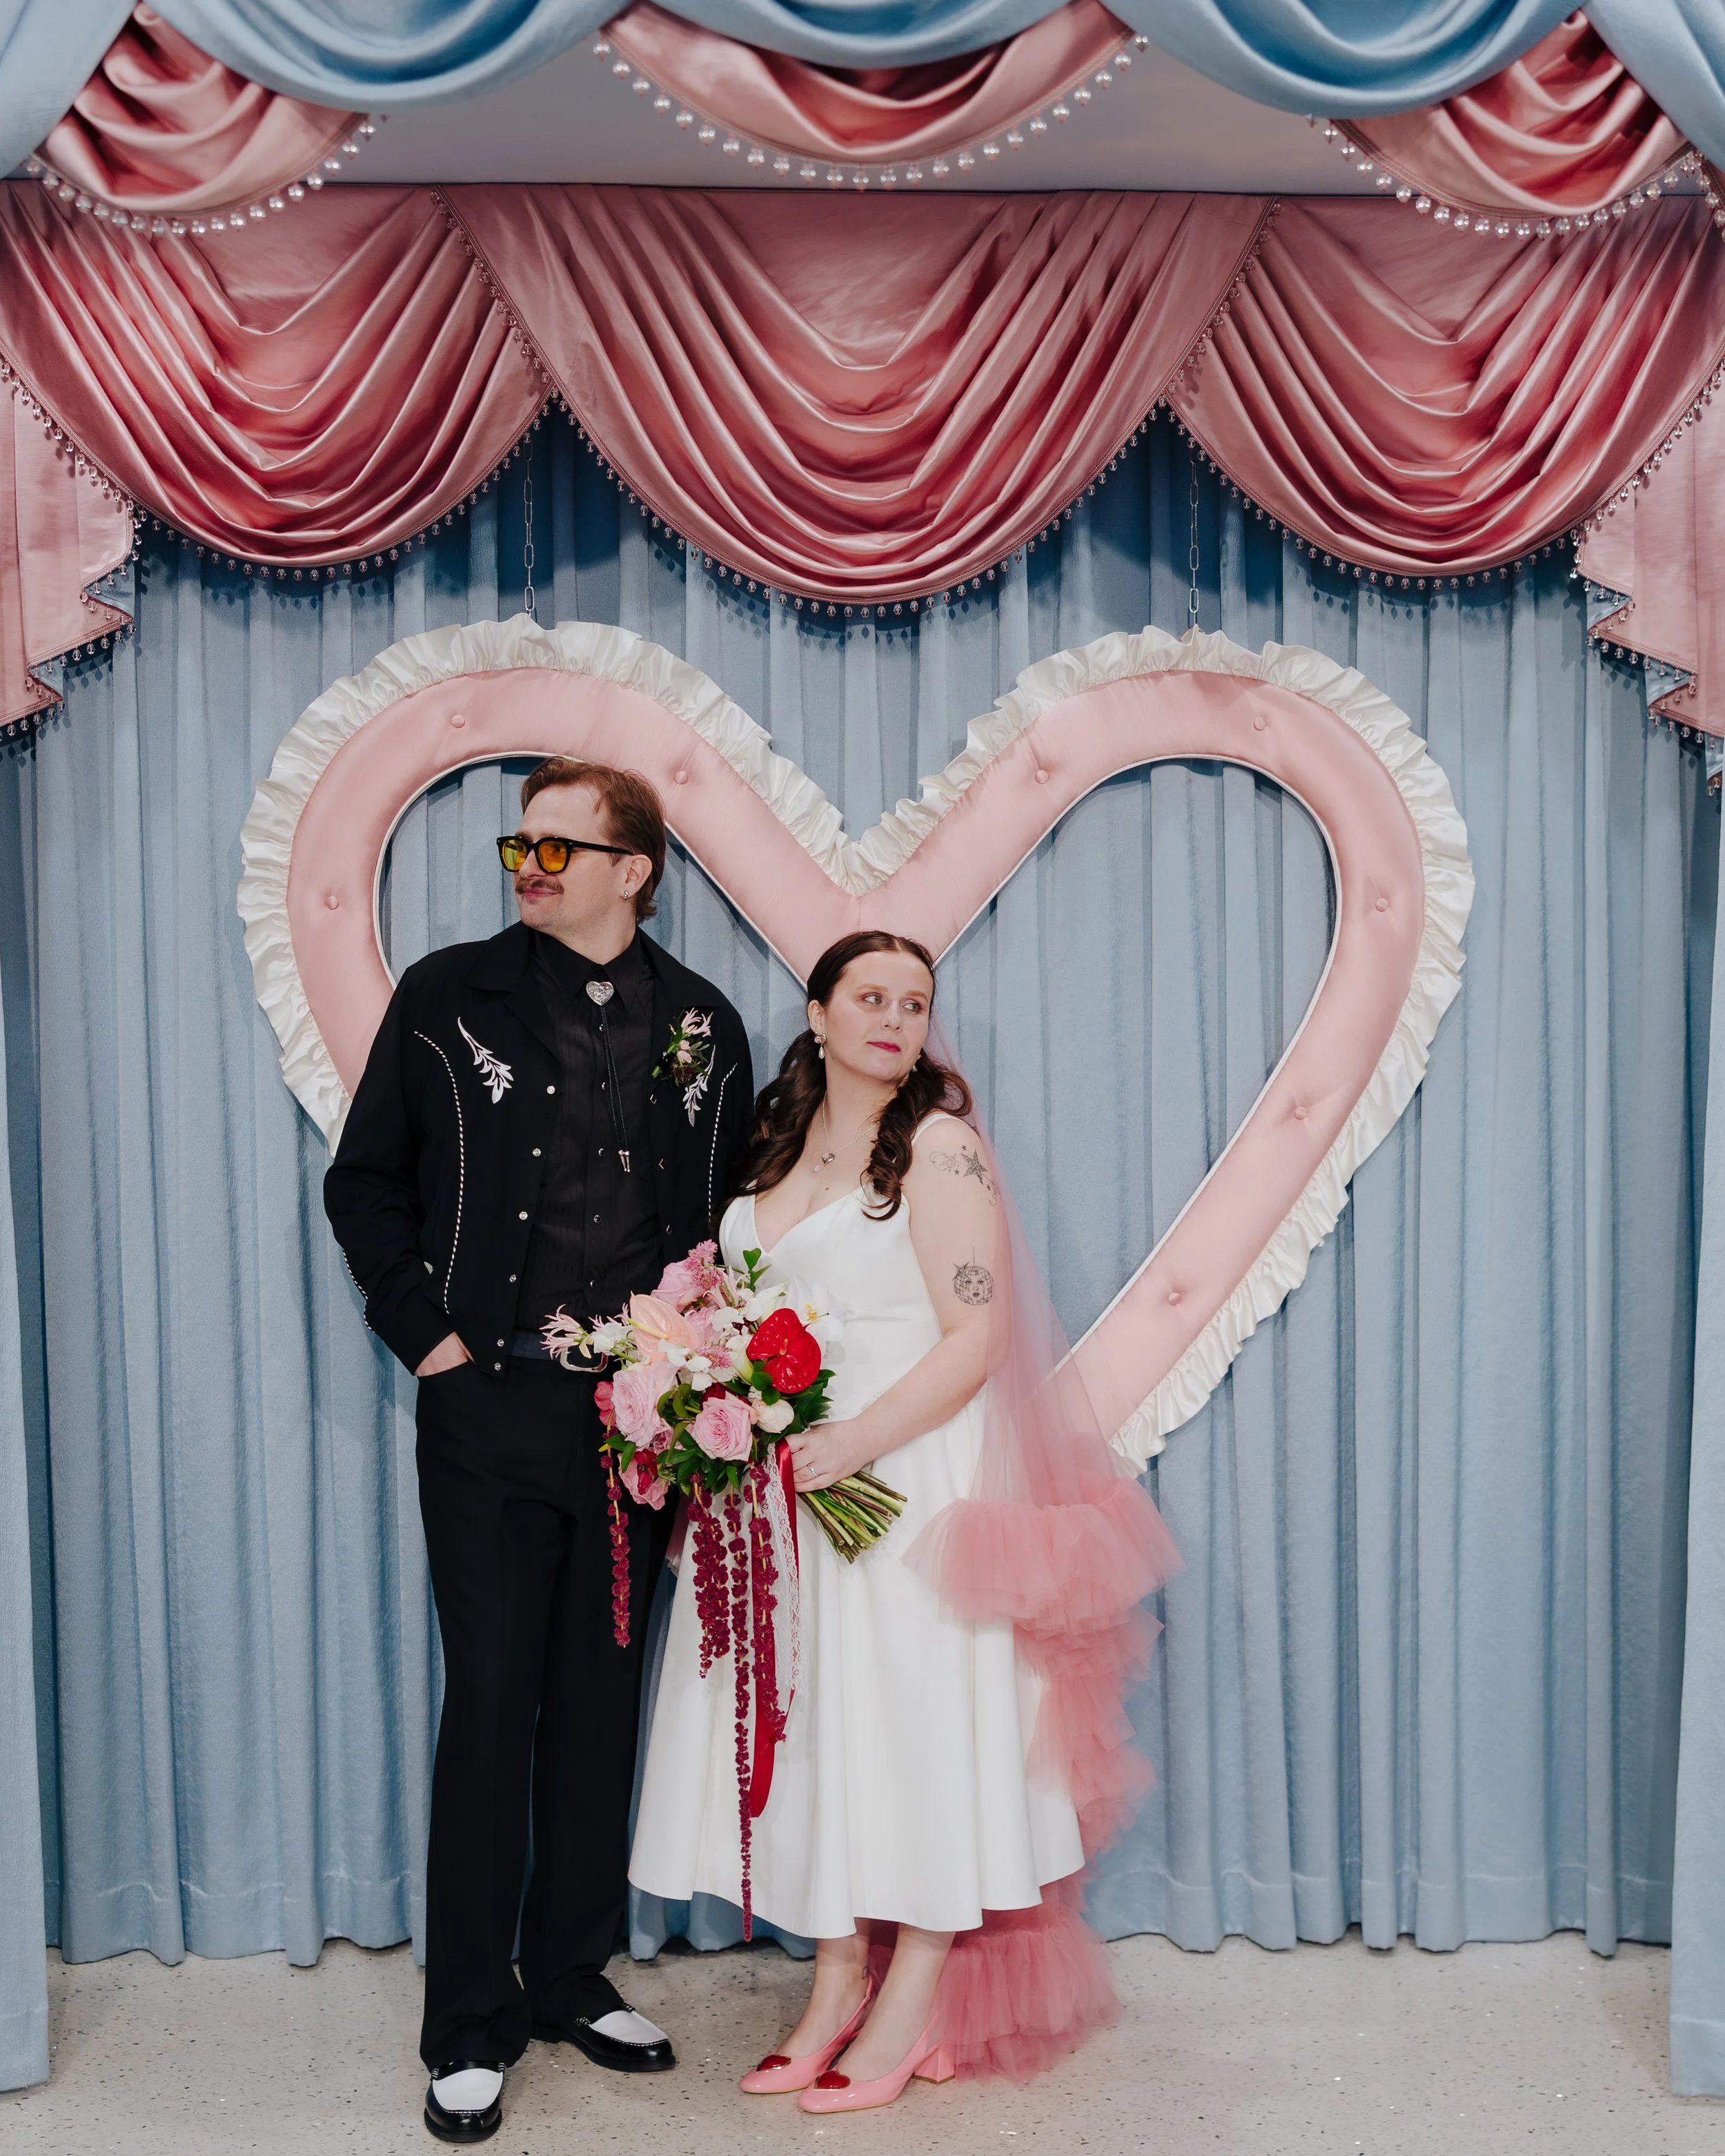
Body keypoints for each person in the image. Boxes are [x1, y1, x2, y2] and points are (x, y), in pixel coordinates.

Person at [629, 929, 1177, 2113]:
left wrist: (851, 1442)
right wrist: (714, 1400)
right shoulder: (771, 1152)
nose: (894, 1017)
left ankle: (913, 1991)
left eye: (915, 1001)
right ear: (818, 1013)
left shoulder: (938, 1148)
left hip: (908, 1479)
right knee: (827, 1739)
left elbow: (974, 1338)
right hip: (785, 1492)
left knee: (921, 1731)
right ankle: (835, 1986)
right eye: (869, 996)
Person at [324, 758, 753, 2144]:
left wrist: (702, 1371)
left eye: (557, 845)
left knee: (599, 1694)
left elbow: (730, 1218)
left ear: (633, 867)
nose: (529, 864)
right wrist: (429, 1337)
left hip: (639, 1420)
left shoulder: (703, 1021)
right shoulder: (451, 993)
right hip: (489, 1405)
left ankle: (572, 1969)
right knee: (494, 1697)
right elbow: (365, 1175)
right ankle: (467, 2019)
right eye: (520, 843)